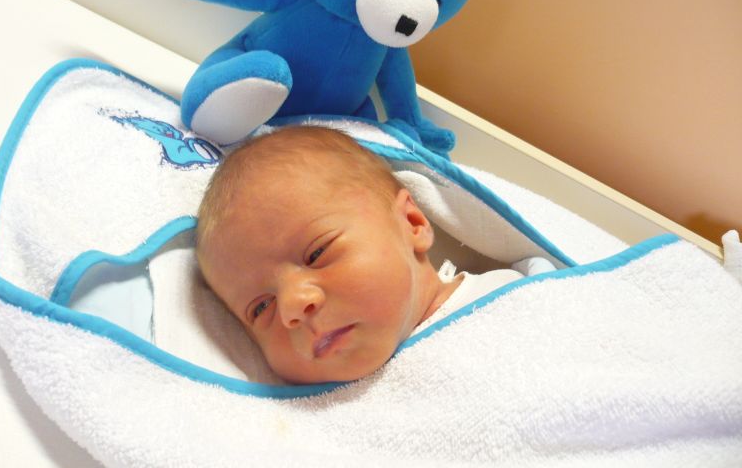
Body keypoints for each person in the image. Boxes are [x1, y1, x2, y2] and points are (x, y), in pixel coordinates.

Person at [195, 126, 553, 384]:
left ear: (412, 223)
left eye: (317, 253)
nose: (292, 307)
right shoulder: (312, 420)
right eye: (261, 308)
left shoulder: (521, 298)